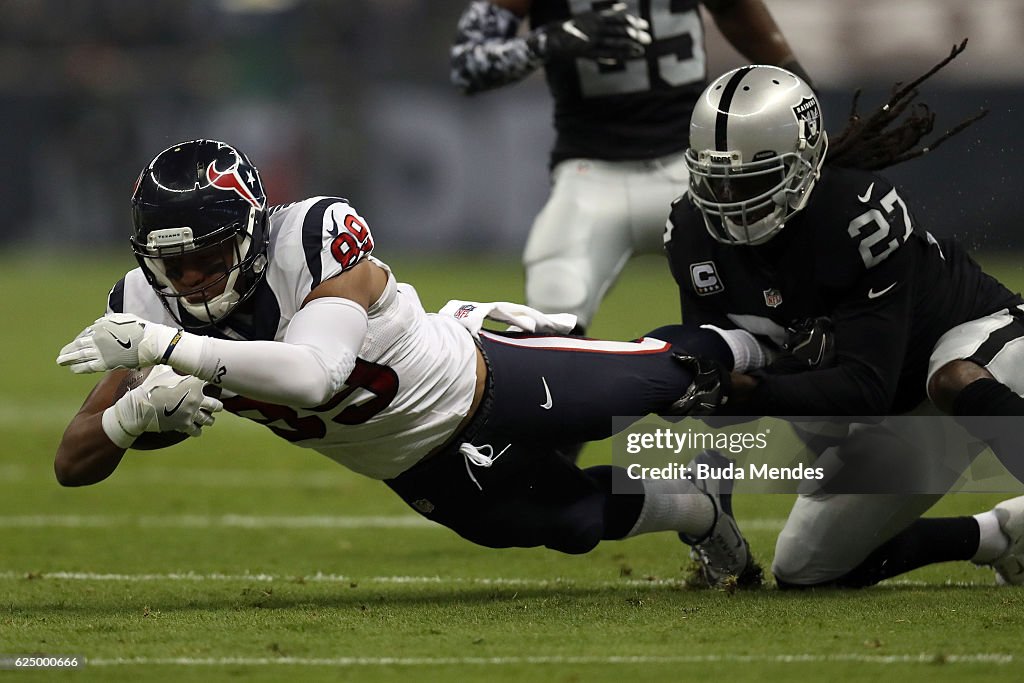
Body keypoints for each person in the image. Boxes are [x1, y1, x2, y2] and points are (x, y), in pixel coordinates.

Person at [54, 139, 767, 587]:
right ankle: (701, 505)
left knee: (661, 377)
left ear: (251, 235)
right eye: (172, 266)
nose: (194, 280)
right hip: (413, 463)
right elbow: (70, 460)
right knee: (575, 523)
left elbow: (315, 375)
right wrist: (127, 416)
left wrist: (170, 351)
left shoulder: (310, 235)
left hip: (486, 380)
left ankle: (768, 340)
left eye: (209, 257)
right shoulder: (148, 308)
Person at [662, 42, 1024, 588]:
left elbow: (863, 385)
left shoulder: (857, 215)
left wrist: (745, 389)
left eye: (755, 179)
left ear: (805, 163)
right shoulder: (691, 235)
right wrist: (716, 507)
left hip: (983, 347)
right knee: (807, 568)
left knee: (952, 376)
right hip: (899, 408)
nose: (732, 199)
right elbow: (716, 382)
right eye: (718, 179)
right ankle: (1002, 535)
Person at [450, 0, 811, 333]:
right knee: (551, 310)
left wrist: (796, 76)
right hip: (591, 171)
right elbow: (468, 65)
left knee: (766, 313)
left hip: (697, 168)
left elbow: (731, 8)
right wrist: (554, 39)